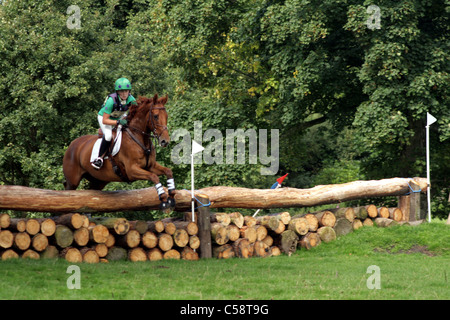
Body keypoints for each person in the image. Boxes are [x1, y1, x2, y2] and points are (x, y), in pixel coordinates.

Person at [92, 77, 137, 169]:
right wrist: (118, 122)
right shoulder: (111, 101)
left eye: (126, 91)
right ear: (118, 92)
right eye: (122, 91)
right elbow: (105, 120)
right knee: (108, 135)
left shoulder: (132, 100)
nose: (124, 94)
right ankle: (99, 158)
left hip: (119, 117)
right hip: (105, 118)